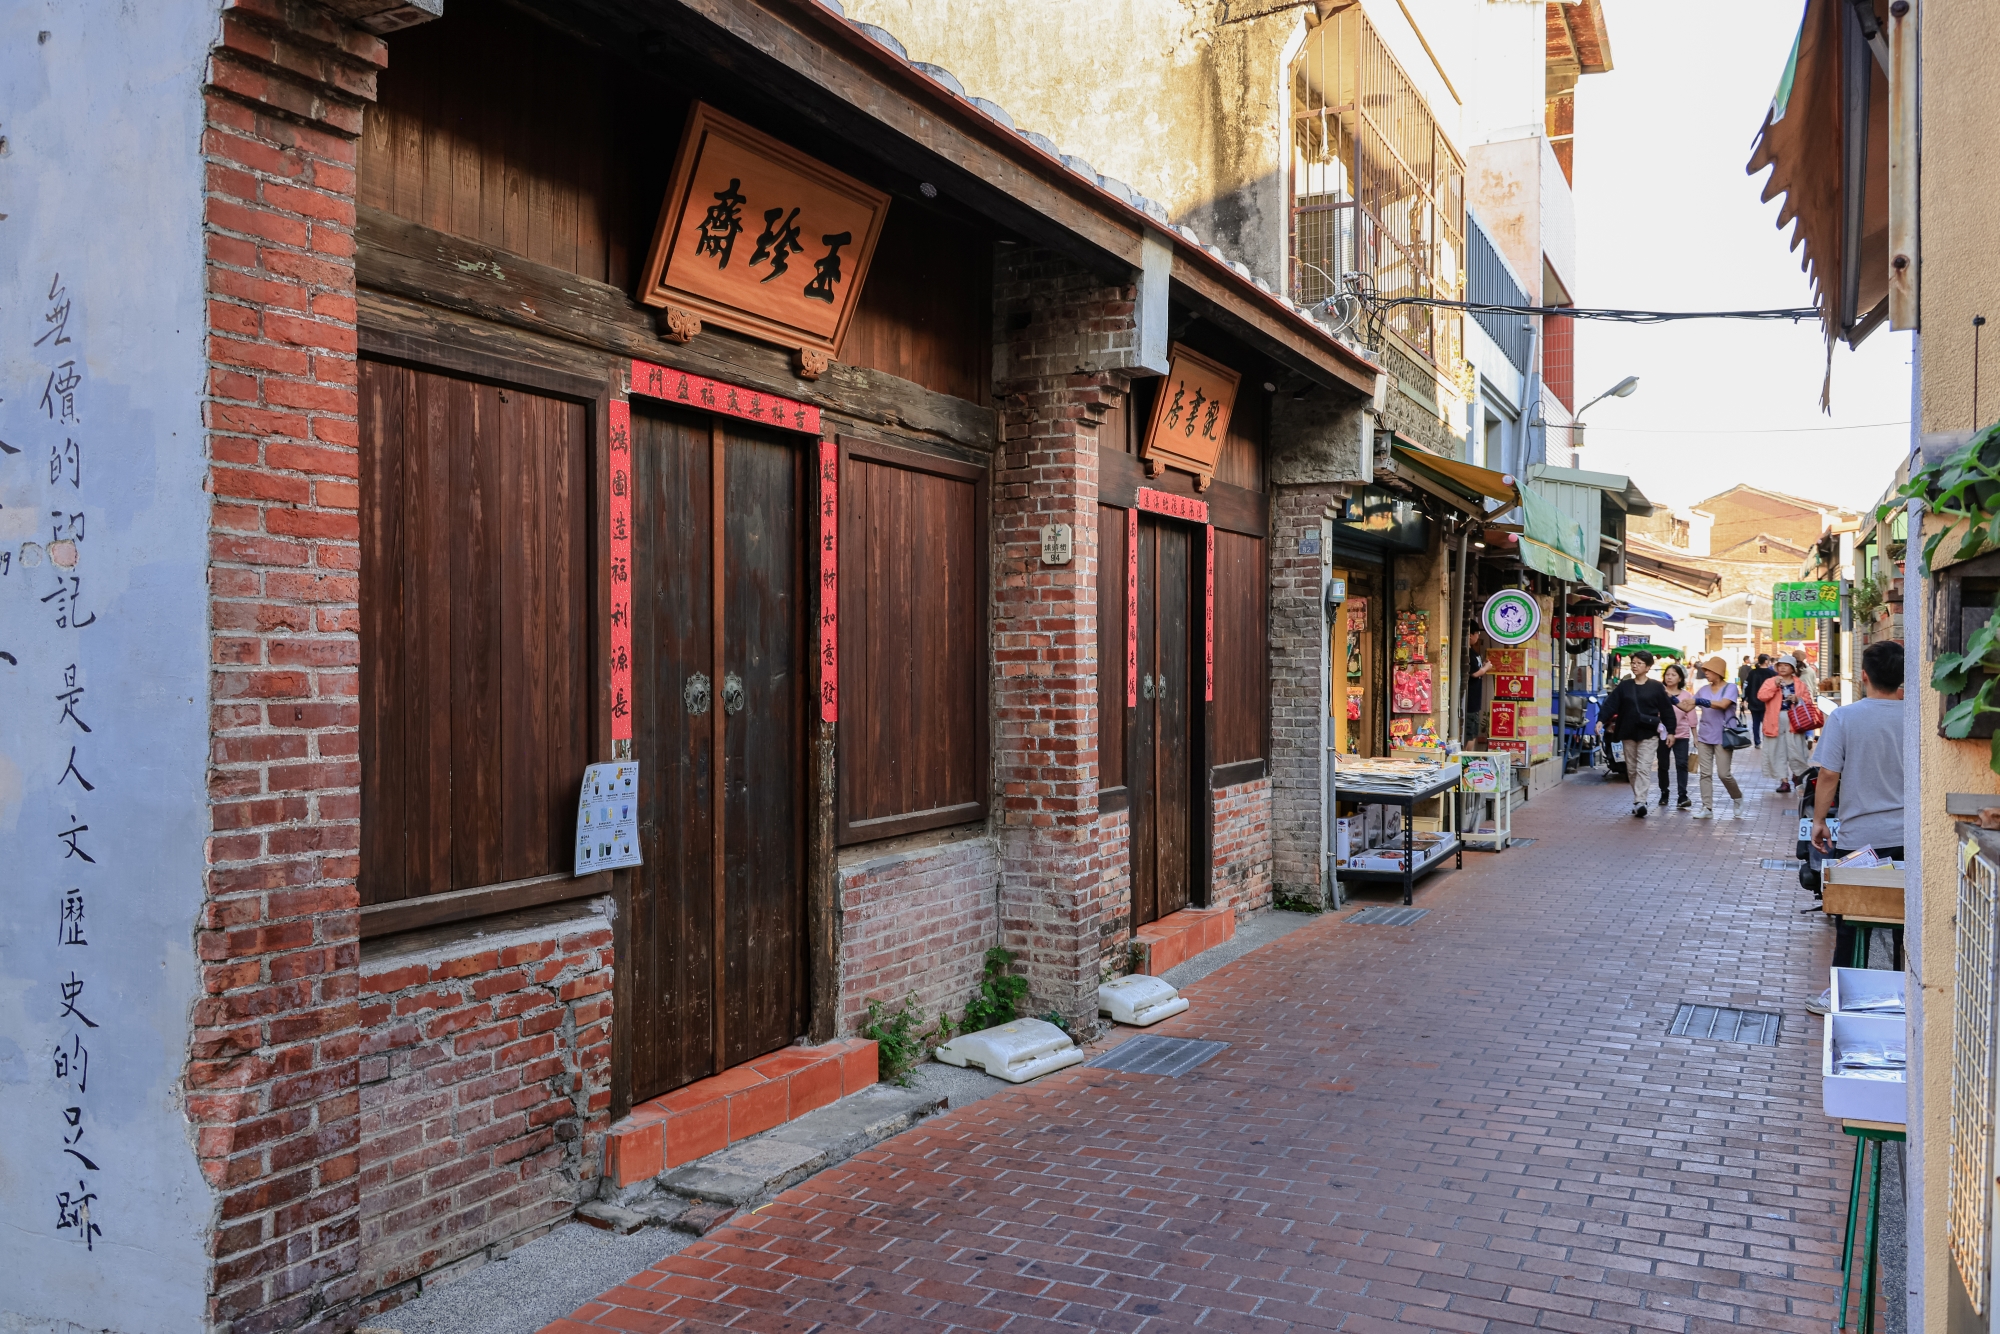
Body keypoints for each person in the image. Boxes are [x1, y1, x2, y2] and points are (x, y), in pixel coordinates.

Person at [1807, 639, 1906, 1012]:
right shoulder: (1917, 718)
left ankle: (1839, 995)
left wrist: (1819, 821)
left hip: (1859, 838)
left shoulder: (1845, 717)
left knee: (1849, 918)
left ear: (1864, 676)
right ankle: (1899, 997)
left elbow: (1829, 774)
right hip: (1908, 837)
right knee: (1904, 920)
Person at [1602, 649, 1672, 817]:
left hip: (1649, 733)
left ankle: (1641, 800)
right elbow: (1611, 704)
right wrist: (1600, 720)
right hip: (1628, 731)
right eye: (1633, 663)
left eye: (1639, 663)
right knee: (1632, 769)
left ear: (1648, 667)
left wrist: (1671, 732)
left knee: (1643, 767)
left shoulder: (1656, 687)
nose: (1635, 666)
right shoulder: (1625, 686)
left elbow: (1667, 710)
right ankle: (1638, 798)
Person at [1692, 655, 1746, 820]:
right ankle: (1707, 807)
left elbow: (1723, 704)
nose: (1706, 673)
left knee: (1724, 774)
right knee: (1705, 774)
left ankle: (1737, 797)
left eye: (1709, 670)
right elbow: (1689, 704)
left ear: (1718, 671)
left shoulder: (1730, 688)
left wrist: (1702, 702)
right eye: (1705, 670)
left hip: (1724, 736)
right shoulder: (1703, 690)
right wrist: (1672, 699)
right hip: (1705, 735)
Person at [1758, 656, 1813, 791]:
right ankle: (1784, 781)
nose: (1782, 668)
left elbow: (1808, 701)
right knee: (1778, 750)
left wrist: (1797, 699)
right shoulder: (1771, 681)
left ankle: (1798, 774)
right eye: (1780, 665)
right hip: (1774, 721)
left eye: (1786, 665)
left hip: (1795, 722)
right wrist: (1774, 686)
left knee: (1797, 749)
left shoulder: (1799, 684)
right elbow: (1761, 696)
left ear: (1792, 668)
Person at [1655, 661, 1695, 811]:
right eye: (1667, 675)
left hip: (1682, 734)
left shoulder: (1686, 695)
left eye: (1673, 675)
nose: (1670, 677)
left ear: (1680, 678)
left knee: (1682, 764)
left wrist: (1695, 736)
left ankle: (1682, 795)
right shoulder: (1659, 693)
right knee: (1663, 765)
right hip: (1662, 734)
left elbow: (1691, 717)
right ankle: (1664, 792)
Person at [1745, 654, 1775, 749]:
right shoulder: (1772, 674)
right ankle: (1766, 740)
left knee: (1755, 723)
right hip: (1767, 702)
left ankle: (1757, 742)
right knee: (1766, 722)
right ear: (1766, 661)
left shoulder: (1752, 673)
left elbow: (1747, 686)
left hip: (1753, 701)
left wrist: (1744, 699)